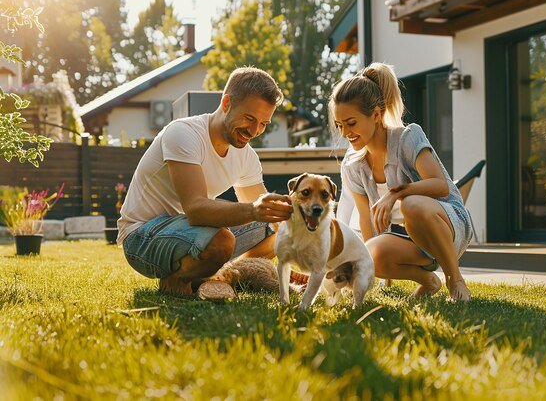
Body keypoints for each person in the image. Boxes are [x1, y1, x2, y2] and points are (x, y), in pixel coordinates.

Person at [117, 67, 293, 296]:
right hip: (142, 238)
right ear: (227, 103)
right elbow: (196, 210)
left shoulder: (246, 155)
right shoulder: (183, 133)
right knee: (221, 241)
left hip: (189, 234)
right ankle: (178, 280)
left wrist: (290, 219)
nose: (254, 130)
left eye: (263, 123)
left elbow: (263, 213)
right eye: (249, 118)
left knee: (273, 232)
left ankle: (223, 277)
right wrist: (255, 210)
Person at [329, 62, 473, 301]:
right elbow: (367, 220)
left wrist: (395, 192)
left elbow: (440, 185)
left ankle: (454, 278)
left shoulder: (407, 137)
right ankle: (429, 281)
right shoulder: (353, 164)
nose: (345, 133)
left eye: (351, 123)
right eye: (339, 125)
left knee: (411, 205)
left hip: (448, 226)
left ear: (375, 115)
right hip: (408, 240)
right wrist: (372, 269)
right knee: (370, 254)